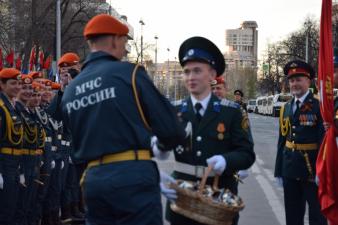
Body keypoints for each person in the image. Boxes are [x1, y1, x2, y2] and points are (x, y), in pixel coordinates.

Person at [60, 14, 185, 225]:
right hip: (132, 176)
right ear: (115, 40)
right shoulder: (130, 73)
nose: (125, 49)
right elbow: (171, 128)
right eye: (125, 42)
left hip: (93, 181)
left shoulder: (71, 90)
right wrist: (160, 146)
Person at [164, 36, 255, 225]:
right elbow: (159, 144)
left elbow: (246, 154)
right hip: (182, 200)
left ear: (212, 74)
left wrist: (226, 160)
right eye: (186, 71)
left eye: (197, 70)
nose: (190, 77)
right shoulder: (174, 110)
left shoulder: (231, 112)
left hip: (219, 201)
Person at [274, 60, 327, 225]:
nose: (294, 84)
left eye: (298, 79)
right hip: (290, 170)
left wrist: (322, 171)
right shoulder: (286, 107)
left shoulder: (319, 106)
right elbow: (282, 141)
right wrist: (279, 170)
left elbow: (323, 141)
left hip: (312, 170)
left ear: (308, 81)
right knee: (293, 216)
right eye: (291, 80)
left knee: (317, 217)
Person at [0, 68, 25, 225]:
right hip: (5, 164)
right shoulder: (2, 107)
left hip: (14, 164)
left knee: (13, 208)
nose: (17, 87)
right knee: (5, 211)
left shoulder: (12, 106)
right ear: (2, 85)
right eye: (13, 83)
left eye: (18, 83)